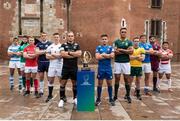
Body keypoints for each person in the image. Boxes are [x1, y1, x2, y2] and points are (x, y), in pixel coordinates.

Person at [59, 31, 82, 108]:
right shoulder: (63, 45)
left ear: (74, 37)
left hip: (74, 67)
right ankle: (62, 99)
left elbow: (79, 54)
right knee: (63, 83)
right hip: (65, 67)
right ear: (67, 37)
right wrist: (73, 54)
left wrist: (68, 53)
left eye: (72, 36)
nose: (70, 37)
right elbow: (62, 54)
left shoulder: (77, 45)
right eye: (69, 36)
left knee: (75, 83)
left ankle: (75, 98)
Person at [113, 28, 133, 103]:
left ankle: (128, 96)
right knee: (117, 78)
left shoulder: (129, 42)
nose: (123, 33)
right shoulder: (116, 41)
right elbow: (115, 52)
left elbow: (131, 52)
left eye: (125, 32)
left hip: (126, 62)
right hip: (117, 62)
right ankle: (115, 96)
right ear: (120, 33)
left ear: (126, 33)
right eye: (122, 32)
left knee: (126, 79)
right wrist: (126, 51)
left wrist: (120, 50)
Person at [95, 34, 115, 106]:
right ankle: (98, 99)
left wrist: (103, 54)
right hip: (101, 68)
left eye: (105, 39)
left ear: (107, 40)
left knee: (109, 83)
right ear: (101, 40)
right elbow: (97, 57)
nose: (104, 40)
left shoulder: (110, 47)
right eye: (103, 39)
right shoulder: (98, 47)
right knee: (100, 83)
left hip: (108, 68)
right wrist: (108, 55)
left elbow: (112, 56)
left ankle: (110, 99)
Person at [45, 33, 63, 102]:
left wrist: (52, 55)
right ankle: (50, 95)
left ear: (59, 38)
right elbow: (47, 56)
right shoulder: (50, 46)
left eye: (57, 37)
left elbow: (61, 56)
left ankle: (62, 97)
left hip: (59, 66)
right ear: (53, 38)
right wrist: (56, 56)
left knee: (61, 81)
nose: (56, 38)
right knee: (50, 80)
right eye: (55, 37)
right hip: (52, 66)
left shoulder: (62, 46)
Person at [36, 32, 52, 97]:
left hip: (48, 62)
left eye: (45, 36)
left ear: (46, 36)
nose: (44, 37)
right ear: (41, 37)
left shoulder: (50, 44)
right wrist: (45, 51)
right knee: (41, 77)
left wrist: (41, 51)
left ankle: (49, 92)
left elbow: (51, 52)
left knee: (49, 78)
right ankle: (41, 91)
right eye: (42, 36)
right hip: (40, 62)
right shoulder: (38, 44)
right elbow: (37, 52)